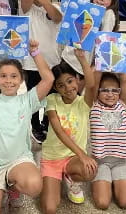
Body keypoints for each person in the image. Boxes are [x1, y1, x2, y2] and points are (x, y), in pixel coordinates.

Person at [0, 31, 54, 213]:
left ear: (21, 79)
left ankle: (13, 188)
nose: (8, 81)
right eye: (4, 76)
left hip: (18, 160)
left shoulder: (27, 100)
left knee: (34, 185)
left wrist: (35, 52)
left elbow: (48, 79)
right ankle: (2, 189)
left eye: (14, 76)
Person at [40, 50, 97, 213]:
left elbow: (92, 84)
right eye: (60, 85)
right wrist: (82, 155)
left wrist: (82, 59)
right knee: (49, 208)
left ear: (78, 80)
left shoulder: (83, 103)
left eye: (70, 81)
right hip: (52, 158)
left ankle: (71, 178)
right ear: (56, 88)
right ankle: (54, 177)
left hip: (72, 158)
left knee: (89, 169)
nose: (67, 88)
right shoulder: (52, 100)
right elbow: (59, 131)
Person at [20, 0, 62, 144]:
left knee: (51, 97)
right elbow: (25, 1)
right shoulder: (27, 10)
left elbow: (57, 17)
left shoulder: (55, 9)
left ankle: (47, 122)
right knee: (34, 96)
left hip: (52, 63)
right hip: (31, 64)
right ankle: (35, 125)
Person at [61, 0, 120, 92]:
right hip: (67, 58)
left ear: (112, 2)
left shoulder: (108, 14)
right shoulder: (84, 7)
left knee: (74, 99)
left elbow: (104, 43)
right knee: (61, 98)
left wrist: (93, 67)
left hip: (82, 66)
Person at [90, 72, 126, 210]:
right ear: (98, 92)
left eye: (115, 90)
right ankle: (105, 181)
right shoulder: (94, 105)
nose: (110, 94)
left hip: (120, 162)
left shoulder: (122, 104)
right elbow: (94, 82)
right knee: (102, 203)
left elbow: (124, 80)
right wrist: (101, 62)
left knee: (125, 203)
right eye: (104, 90)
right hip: (100, 162)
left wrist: (121, 61)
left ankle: (114, 180)